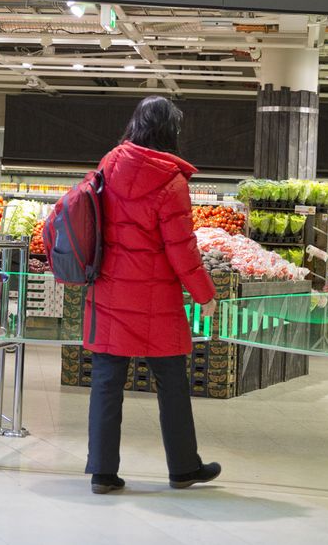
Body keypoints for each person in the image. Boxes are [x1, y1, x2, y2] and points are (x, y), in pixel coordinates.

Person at [85, 96, 220, 495]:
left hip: (109, 290)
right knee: (173, 385)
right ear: (170, 132)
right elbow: (182, 248)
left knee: (106, 383)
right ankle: (183, 467)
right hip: (157, 299)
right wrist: (204, 294)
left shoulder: (108, 164)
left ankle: (102, 473)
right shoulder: (171, 181)